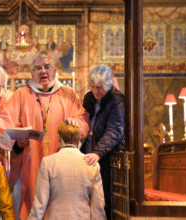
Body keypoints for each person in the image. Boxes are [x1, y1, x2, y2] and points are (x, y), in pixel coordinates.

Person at [6, 54, 89, 219]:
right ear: (31, 73)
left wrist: (76, 124)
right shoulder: (21, 95)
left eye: (47, 67)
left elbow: (83, 120)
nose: (43, 71)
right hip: (31, 160)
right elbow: (8, 123)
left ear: (55, 70)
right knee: (33, 199)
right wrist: (18, 141)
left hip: (61, 157)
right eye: (38, 68)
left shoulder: (69, 94)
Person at [28, 121, 106, 220]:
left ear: (59, 138)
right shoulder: (92, 165)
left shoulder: (48, 162)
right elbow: (98, 207)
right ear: (79, 140)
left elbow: (39, 204)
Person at [81, 65, 125, 220]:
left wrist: (98, 152)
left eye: (99, 88)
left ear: (108, 85)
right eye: (92, 87)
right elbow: (83, 120)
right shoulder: (89, 97)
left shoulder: (117, 99)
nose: (95, 91)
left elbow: (115, 130)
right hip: (88, 153)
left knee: (104, 200)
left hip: (106, 157)